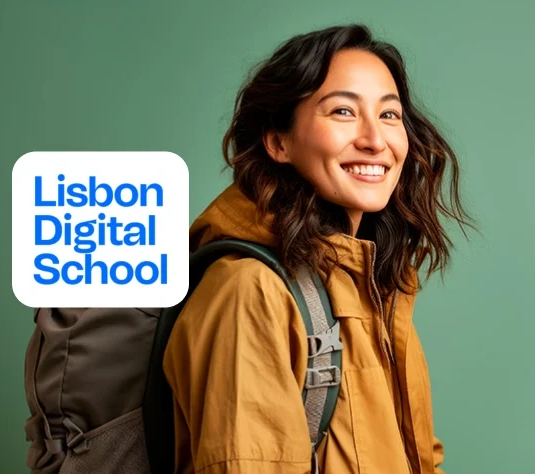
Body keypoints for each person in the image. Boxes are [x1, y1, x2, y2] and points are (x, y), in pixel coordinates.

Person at [163, 23, 475, 474]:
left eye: (389, 115)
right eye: (343, 112)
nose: (375, 139)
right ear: (279, 142)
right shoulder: (250, 291)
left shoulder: (371, 284)